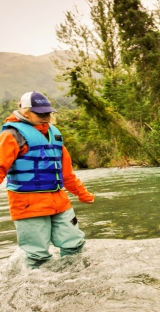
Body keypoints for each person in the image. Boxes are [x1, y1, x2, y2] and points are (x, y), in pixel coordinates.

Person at [0, 91, 94, 268]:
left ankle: (73, 284)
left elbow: (67, 173)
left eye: (48, 113)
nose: (46, 118)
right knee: (37, 257)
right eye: (40, 114)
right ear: (25, 111)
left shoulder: (55, 135)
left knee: (74, 246)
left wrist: (83, 194)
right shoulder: (11, 136)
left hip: (59, 202)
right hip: (28, 205)